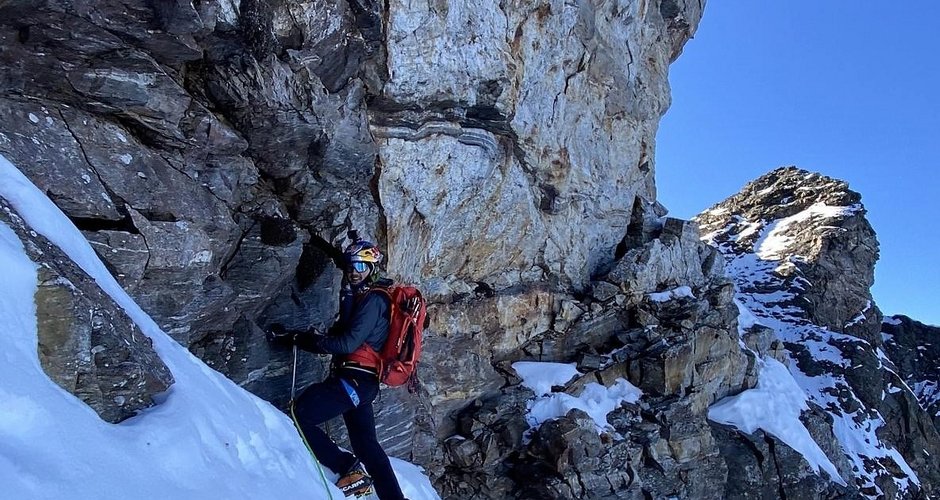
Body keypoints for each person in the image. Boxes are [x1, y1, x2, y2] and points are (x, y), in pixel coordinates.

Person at [269, 237, 406, 500]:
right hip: (362, 383)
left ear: (372, 268)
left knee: (301, 415)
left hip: (355, 379)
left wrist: (303, 340)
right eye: (350, 264)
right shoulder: (362, 298)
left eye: (360, 265)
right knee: (367, 446)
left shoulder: (374, 300)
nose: (354, 270)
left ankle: (347, 468)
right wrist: (300, 336)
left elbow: (346, 343)